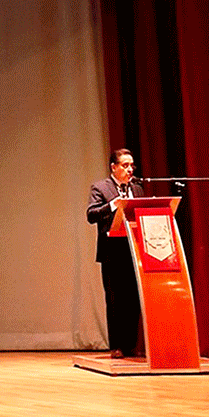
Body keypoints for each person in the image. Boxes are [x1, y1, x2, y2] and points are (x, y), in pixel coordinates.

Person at [86, 148, 144, 358]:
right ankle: (117, 345)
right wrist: (113, 205)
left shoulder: (137, 189)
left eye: (131, 165)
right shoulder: (100, 188)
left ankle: (131, 345)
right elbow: (91, 215)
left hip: (134, 250)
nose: (130, 170)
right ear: (113, 167)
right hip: (112, 251)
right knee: (115, 299)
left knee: (133, 299)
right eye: (125, 165)